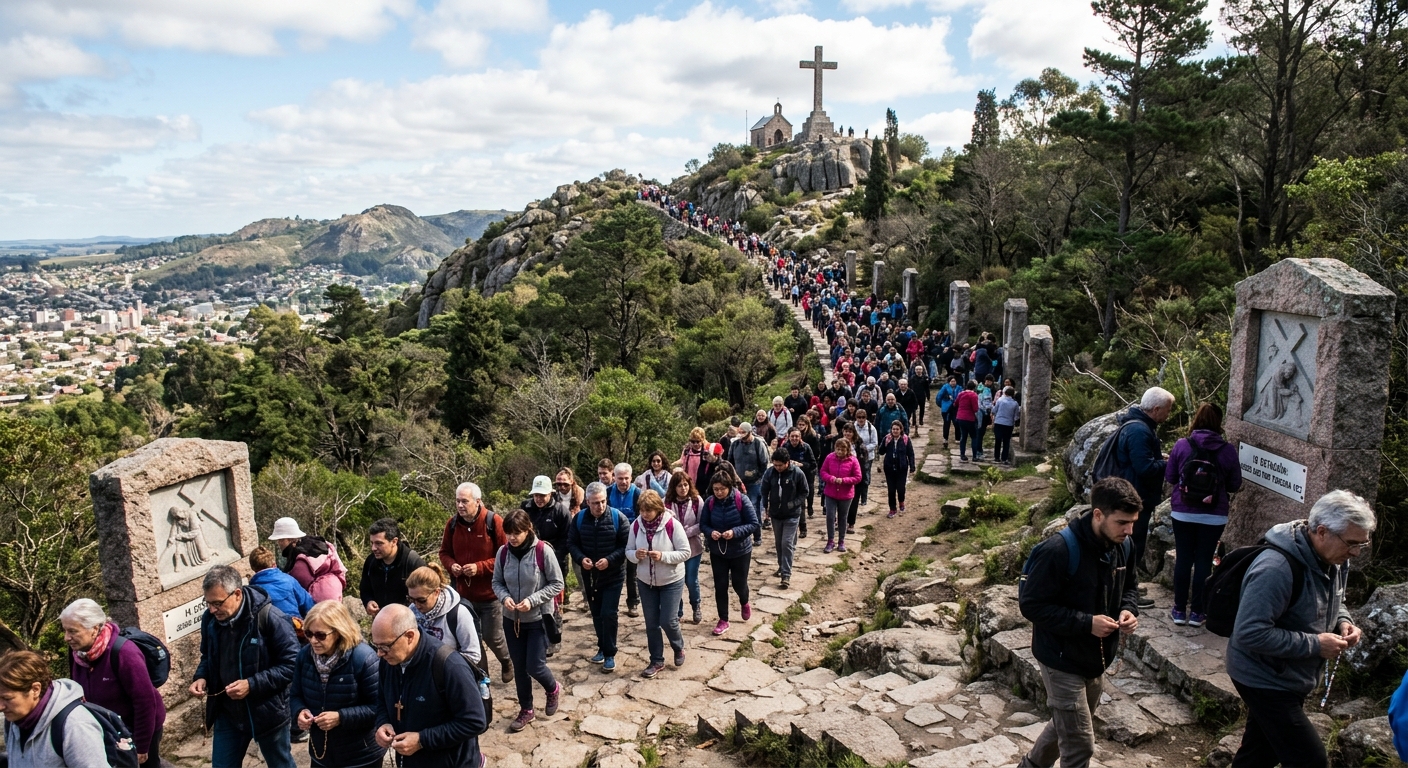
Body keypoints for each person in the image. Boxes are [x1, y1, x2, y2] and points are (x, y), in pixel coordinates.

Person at [1226, 491, 1373, 768]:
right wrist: (1316, 645)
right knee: (1311, 760)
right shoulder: (1275, 569)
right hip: (1263, 676)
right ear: (1321, 531)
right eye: (1352, 544)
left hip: (1290, 674)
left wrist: (1344, 621)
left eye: (1361, 545)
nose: (1355, 552)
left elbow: (1334, 599)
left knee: (1260, 752)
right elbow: (1249, 632)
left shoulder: (1335, 558)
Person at [1017, 478, 1143, 768]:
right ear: (1098, 514)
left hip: (1096, 660)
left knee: (1066, 725)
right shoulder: (1058, 551)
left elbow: (1131, 587)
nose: (1130, 530)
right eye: (1122, 522)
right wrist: (1087, 623)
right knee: (1080, 745)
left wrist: (1128, 610)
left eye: (1133, 522)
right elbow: (1032, 605)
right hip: (1059, 660)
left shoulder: (1124, 545)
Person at [190, 565, 299, 768]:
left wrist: (251, 684)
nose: (212, 610)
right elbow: (207, 655)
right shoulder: (210, 620)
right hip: (227, 713)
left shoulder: (271, 618)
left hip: (267, 712)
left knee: (280, 764)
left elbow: (292, 665)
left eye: (217, 603)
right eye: (208, 603)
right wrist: (201, 676)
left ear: (237, 594)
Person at [371, 605, 486, 767]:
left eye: (384, 647)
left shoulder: (449, 666)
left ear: (409, 636)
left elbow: (474, 721)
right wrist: (383, 722)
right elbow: (381, 699)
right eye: (376, 645)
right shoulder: (389, 661)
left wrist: (422, 740)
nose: (379, 654)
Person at [1163, 403, 1243, 627]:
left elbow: (1170, 477)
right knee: (1204, 562)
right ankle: (1197, 613)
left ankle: (1179, 610)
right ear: (1219, 422)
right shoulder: (1227, 450)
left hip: (1183, 512)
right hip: (1214, 515)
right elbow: (1235, 484)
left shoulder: (1182, 445)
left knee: (1184, 559)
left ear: (1196, 420)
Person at [61, 599, 165, 767]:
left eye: (72, 631)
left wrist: (141, 746)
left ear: (94, 629)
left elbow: (145, 702)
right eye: (65, 630)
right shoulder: (77, 653)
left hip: (137, 729)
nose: (67, 638)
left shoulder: (125, 653)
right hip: (106, 730)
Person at [492, 508, 564, 733]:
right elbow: (497, 582)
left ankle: (552, 689)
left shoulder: (543, 551)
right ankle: (527, 709)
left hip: (538, 618)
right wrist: (504, 598)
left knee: (535, 665)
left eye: (517, 533)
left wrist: (533, 600)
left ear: (527, 529)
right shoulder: (503, 553)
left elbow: (557, 583)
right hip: (511, 619)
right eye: (509, 533)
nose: (512, 538)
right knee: (520, 668)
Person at [290, 600, 385, 768]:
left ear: (339, 631)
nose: (313, 640)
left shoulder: (364, 658)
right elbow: (295, 694)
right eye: (308, 634)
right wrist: (300, 711)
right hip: (321, 752)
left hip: (361, 755)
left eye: (320, 635)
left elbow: (378, 708)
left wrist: (341, 717)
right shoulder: (304, 656)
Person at [438, 481, 513, 683]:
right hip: (463, 596)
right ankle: (482, 677)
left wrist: (479, 567)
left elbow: (505, 555)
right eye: (457, 501)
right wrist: (451, 564)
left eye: (465, 501)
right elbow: (444, 552)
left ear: (478, 501)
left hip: (490, 594)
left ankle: (506, 660)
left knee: (492, 636)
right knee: (472, 641)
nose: (460, 505)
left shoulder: (493, 521)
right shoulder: (452, 524)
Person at [1110, 387, 1174, 607]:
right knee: (1132, 544)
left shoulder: (1137, 426)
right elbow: (1144, 468)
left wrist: (1157, 457)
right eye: (1167, 409)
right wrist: (1167, 463)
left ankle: (1125, 587)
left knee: (1128, 544)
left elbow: (1140, 460)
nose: (1169, 414)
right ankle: (1126, 594)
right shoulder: (1140, 431)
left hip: (1131, 493)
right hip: (1135, 496)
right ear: (1155, 409)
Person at [0, 650, 108, 767]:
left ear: (35, 689)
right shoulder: (15, 719)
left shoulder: (75, 726)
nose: (1, 707)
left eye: (7, 698)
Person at [625, 490, 691, 677]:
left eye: (649, 510)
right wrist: (635, 555)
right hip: (646, 581)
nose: (645, 514)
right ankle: (656, 660)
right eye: (642, 510)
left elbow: (685, 552)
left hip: (671, 579)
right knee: (651, 623)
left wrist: (663, 556)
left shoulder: (672, 524)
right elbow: (628, 551)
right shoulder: (636, 525)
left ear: (658, 509)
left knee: (668, 620)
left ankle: (678, 647)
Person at [569, 482, 630, 672]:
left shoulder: (618, 518)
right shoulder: (579, 519)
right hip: (590, 576)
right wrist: (581, 558)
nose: (600, 506)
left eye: (603, 501)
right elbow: (572, 544)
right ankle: (602, 648)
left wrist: (609, 560)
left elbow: (626, 546)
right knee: (596, 613)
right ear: (587, 501)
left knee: (608, 614)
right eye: (595, 503)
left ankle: (610, 653)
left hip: (613, 575)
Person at [700, 465, 759, 636]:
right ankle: (723, 619)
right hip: (718, 551)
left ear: (730, 487)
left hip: (740, 550)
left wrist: (735, 532)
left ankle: (744, 601)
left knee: (739, 583)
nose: (718, 492)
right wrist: (711, 532)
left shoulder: (742, 500)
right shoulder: (710, 503)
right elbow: (703, 524)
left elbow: (753, 523)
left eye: (722, 489)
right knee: (720, 585)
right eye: (716, 489)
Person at [406, 564, 482, 667]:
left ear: (436, 592)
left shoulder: (459, 614)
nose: (417, 605)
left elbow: (473, 654)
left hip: (450, 673)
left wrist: (443, 669)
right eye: (411, 599)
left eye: (422, 600)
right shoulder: (411, 611)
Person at [759, 447, 807, 589]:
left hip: (792, 514)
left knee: (787, 543)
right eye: (775, 465)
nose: (777, 468)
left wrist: (793, 504)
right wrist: (765, 505)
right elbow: (764, 489)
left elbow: (804, 492)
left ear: (787, 463)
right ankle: (781, 566)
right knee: (779, 543)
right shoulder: (770, 473)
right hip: (775, 514)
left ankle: (786, 574)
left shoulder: (797, 473)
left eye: (780, 465)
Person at [360, 518, 426, 618]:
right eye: (372, 543)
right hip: (381, 619)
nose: (373, 548)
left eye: (379, 543)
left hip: (409, 621)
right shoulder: (371, 561)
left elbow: (425, 596)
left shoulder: (413, 562)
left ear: (394, 541)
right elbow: (365, 588)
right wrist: (368, 601)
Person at [270, 518, 348, 602]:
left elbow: (299, 591)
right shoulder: (317, 545)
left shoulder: (299, 562)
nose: (279, 543)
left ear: (289, 539)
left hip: (319, 605)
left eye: (281, 540)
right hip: (335, 596)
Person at [523, 475, 572, 608]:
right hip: (530, 558)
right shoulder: (525, 508)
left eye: (542, 495)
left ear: (550, 493)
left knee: (554, 596)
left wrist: (552, 556)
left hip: (556, 558)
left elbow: (567, 538)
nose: (539, 499)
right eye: (536, 495)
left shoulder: (561, 511)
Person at [665, 470, 706, 624]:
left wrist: (687, 531)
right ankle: (678, 610)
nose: (683, 488)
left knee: (691, 579)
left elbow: (702, 523)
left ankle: (696, 606)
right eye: (679, 485)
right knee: (676, 580)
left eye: (685, 485)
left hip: (693, 547)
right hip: (673, 548)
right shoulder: (666, 502)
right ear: (673, 487)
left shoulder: (697, 501)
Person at [608, 464, 644, 616]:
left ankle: (633, 603)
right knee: (612, 572)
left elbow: (642, 516)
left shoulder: (638, 493)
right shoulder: (608, 492)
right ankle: (611, 604)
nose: (623, 481)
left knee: (632, 572)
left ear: (631, 477)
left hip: (633, 537)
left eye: (626, 478)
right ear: (614, 477)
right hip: (612, 537)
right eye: (620, 478)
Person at [727, 423, 770, 544]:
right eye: (739, 433)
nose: (741, 436)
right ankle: (742, 535)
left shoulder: (758, 444)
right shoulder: (735, 444)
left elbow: (764, 463)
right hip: (739, 483)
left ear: (750, 432)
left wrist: (756, 475)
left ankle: (757, 536)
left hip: (755, 483)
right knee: (738, 508)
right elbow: (730, 462)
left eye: (743, 433)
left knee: (753, 508)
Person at [819, 437, 862, 554]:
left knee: (843, 517)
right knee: (830, 516)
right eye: (838, 449)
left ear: (847, 450)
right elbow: (822, 472)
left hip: (846, 494)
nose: (840, 452)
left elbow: (858, 477)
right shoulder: (829, 458)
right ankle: (830, 540)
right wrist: (831, 479)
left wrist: (844, 480)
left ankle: (841, 541)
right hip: (831, 492)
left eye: (842, 450)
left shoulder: (853, 461)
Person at [248, 546, 315, 622]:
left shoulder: (251, 591)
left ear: (253, 568)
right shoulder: (289, 580)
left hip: (268, 631)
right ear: (274, 564)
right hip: (294, 627)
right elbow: (308, 605)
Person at [783, 426, 816, 538]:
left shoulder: (806, 447)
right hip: (788, 479)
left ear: (800, 437)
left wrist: (801, 464)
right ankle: (789, 528)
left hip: (803, 478)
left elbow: (813, 464)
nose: (794, 438)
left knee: (801, 504)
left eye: (797, 436)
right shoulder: (785, 447)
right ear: (788, 437)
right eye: (792, 436)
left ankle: (803, 528)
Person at [879, 421, 915, 518]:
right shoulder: (887, 438)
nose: (895, 431)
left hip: (902, 468)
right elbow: (881, 451)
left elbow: (910, 454)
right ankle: (892, 509)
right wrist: (884, 443)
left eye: (897, 429)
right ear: (891, 429)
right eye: (893, 429)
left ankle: (901, 501)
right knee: (891, 490)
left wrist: (912, 466)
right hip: (889, 468)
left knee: (900, 488)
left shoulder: (905, 439)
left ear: (901, 430)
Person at [992, 386, 1021, 465]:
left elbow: (994, 410)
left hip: (998, 422)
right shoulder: (1015, 403)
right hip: (1008, 424)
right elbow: (1016, 416)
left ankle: (996, 457)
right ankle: (1004, 458)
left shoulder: (1000, 400)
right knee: (1006, 441)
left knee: (998, 440)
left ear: (1005, 393)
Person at [954, 380, 981, 462]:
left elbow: (955, 404)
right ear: (974, 388)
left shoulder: (961, 394)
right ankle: (974, 456)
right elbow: (975, 409)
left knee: (963, 436)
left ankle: (962, 454)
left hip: (960, 417)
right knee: (974, 437)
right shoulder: (973, 395)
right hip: (970, 418)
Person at [936, 375, 961, 448]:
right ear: (949, 382)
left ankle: (958, 438)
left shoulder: (959, 388)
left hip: (955, 408)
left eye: (954, 381)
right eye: (951, 381)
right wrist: (943, 405)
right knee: (947, 423)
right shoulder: (945, 387)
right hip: (946, 409)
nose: (953, 383)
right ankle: (945, 438)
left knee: (956, 423)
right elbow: (938, 397)